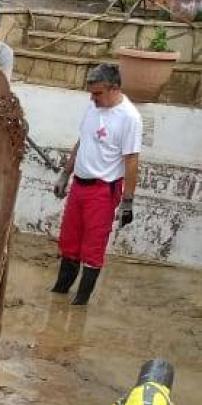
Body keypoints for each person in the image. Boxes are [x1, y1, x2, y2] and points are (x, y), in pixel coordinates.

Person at [50, 63, 141, 306]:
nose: (93, 98)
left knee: (92, 247)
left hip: (103, 189)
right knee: (69, 241)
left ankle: (80, 301)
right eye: (91, 93)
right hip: (79, 185)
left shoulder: (129, 118)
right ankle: (60, 292)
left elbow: (131, 160)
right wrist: (64, 174)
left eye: (97, 93)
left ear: (114, 89)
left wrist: (127, 202)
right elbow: (82, 141)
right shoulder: (93, 108)